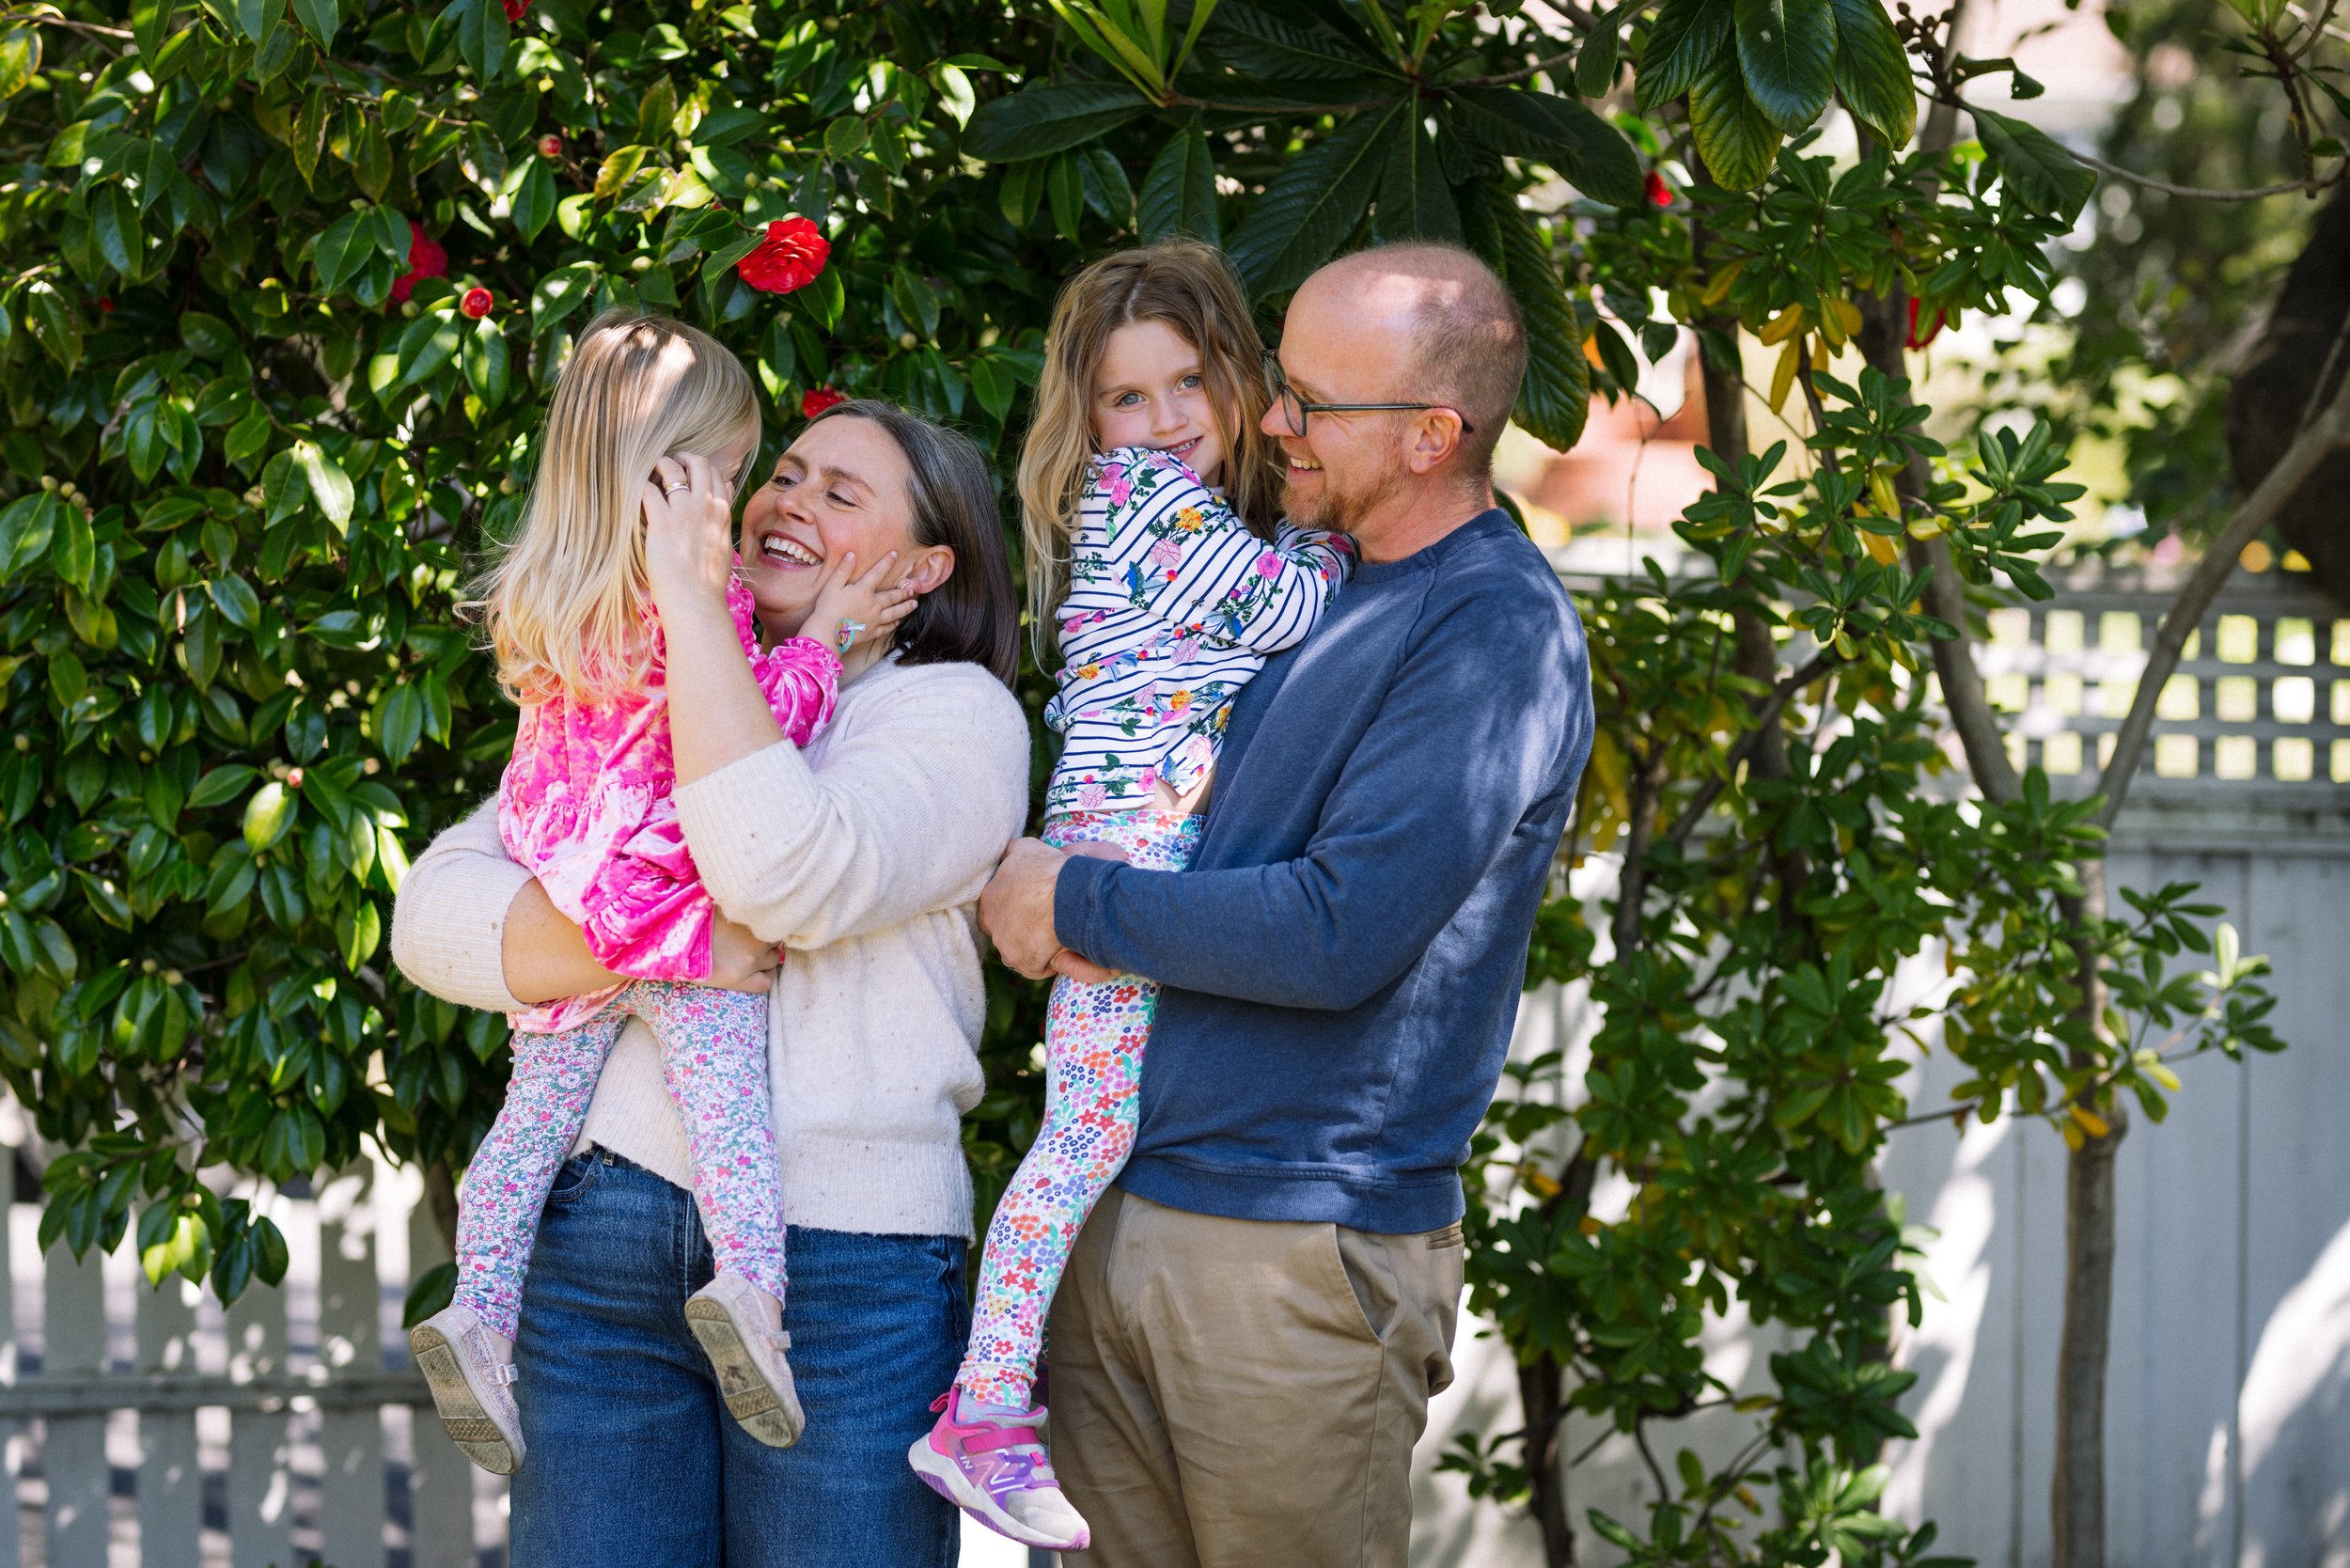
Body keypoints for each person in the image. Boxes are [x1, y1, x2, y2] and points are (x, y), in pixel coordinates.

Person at [979, 241, 1596, 1568]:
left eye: (1310, 402)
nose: (1270, 421)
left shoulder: (1491, 629)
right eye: (1278, 385)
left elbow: (1337, 934)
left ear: (1433, 435)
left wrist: (1072, 902)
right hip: (1120, 1213)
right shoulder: (1287, 580)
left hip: (1288, 1250)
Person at [390, 392, 1026, 1567]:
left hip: (849, 1268)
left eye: (843, 494)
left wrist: (692, 608)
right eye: (785, 473)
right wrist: (661, 942)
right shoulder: (640, 693)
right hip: (607, 1238)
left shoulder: (952, 716)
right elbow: (434, 918)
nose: (790, 502)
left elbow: (778, 872)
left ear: (926, 564)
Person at [409, 312, 916, 1476]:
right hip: (669, 906)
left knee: (527, 1128)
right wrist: (826, 641)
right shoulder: (694, 601)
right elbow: (760, 732)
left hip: (569, 894)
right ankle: (752, 1300)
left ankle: (478, 1313)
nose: (743, 502)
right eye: (736, 473)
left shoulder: (553, 589)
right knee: (731, 1117)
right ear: (674, 478)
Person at [908, 241, 1353, 1552]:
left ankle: (997, 1393)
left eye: (1185, 387)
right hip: (1124, 864)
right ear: (1088, 418)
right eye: (1125, 398)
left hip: (1140, 857)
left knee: (1101, 1131)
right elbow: (1280, 611)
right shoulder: (1148, 506)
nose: (1161, 424)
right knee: (1083, 1142)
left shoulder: (1172, 506)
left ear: (1233, 378)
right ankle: (984, 1409)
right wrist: (1337, 557)